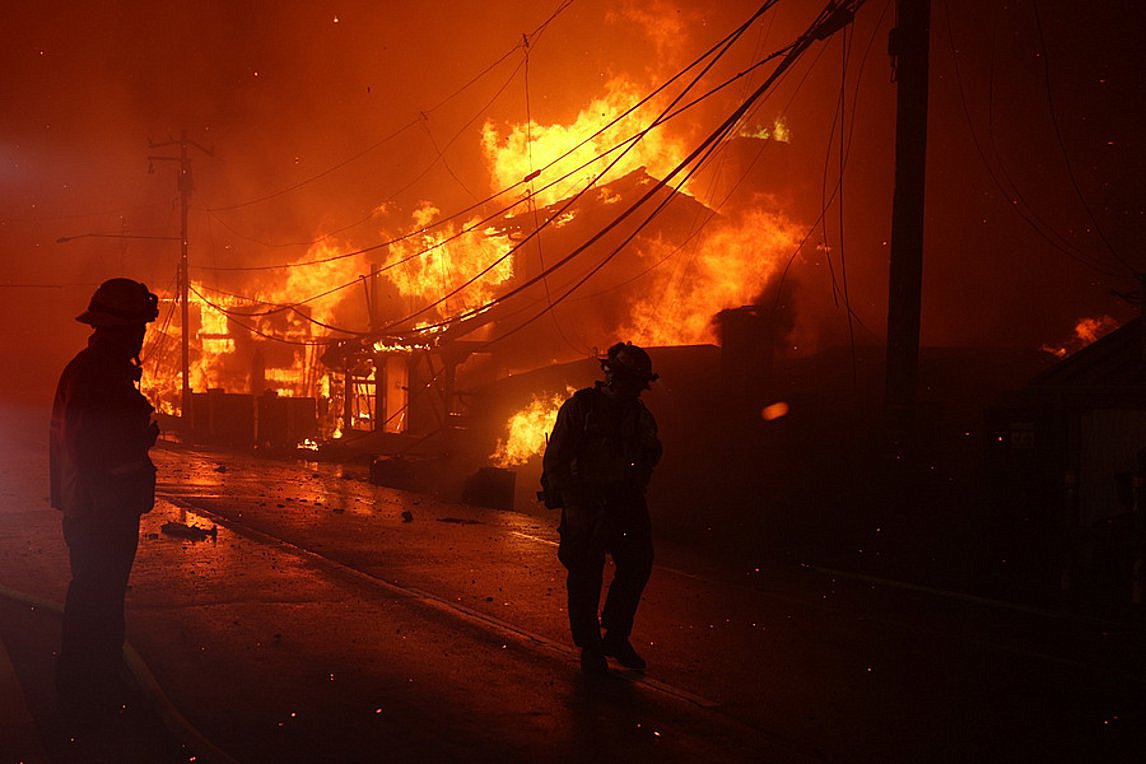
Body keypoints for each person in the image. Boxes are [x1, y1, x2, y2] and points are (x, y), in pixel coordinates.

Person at [50, 278, 160, 719]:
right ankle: (88, 695)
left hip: (103, 505)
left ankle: (96, 685)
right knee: (96, 598)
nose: (142, 335)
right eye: (139, 326)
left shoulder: (101, 370)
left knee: (101, 597)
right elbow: (89, 447)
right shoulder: (95, 372)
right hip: (100, 509)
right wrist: (136, 438)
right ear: (124, 329)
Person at [541, 342, 662, 674]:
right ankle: (590, 646)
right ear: (611, 376)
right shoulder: (581, 409)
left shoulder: (639, 416)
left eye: (638, 384)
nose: (634, 390)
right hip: (587, 505)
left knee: (638, 563)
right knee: (585, 575)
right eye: (628, 381)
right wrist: (574, 503)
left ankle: (616, 635)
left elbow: (651, 455)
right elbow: (557, 461)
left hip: (625, 503)